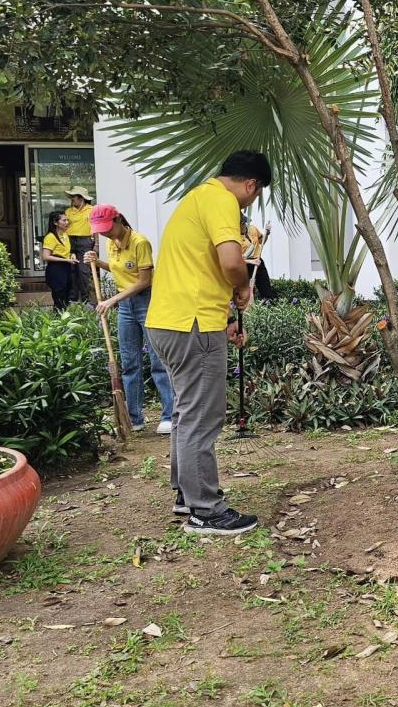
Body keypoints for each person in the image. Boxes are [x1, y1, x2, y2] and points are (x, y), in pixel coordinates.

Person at [146, 151, 271, 536]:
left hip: (170, 322)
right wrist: (241, 287)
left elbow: (198, 271)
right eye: (257, 193)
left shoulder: (196, 197)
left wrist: (226, 321)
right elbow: (232, 262)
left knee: (186, 412)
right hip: (192, 324)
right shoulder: (222, 200)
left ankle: (186, 494)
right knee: (202, 416)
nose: (251, 201)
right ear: (250, 184)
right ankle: (206, 510)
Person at [85, 204, 175, 436]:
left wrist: (112, 299)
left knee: (158, 361)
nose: (103, 232)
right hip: (126, 306)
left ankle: (169, 415)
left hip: (147, 301)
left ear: (117, 220)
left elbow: (144, 280)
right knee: (129, 362)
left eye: (106, 227)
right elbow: (119, 271)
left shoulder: (139, 242)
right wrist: (97, 262)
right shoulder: (109, 243)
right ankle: (135, 417)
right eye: (100, 229)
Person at [41, 211, 79, 310]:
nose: (67, 222)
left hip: (66, 268)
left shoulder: (65, 235)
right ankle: (57, 320)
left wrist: (72, 255)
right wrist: (65, 260)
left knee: (66, 299)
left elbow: (68, 251)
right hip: (56, 270)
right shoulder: (50, 237)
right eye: (64, 220)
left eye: (67, 220)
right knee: (59, 299)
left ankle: (64, 321)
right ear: (55, 222)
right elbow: (46, 256)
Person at [65, 187, 96, 303]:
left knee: (84, 271)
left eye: (74, 197)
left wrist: (96, 244)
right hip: (70, 241)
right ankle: (72, 299)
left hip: (85, 241)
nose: (72, 199)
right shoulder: (68, 211)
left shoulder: (91, 210)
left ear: (81, 198)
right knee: (72, 270)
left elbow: (95, 228)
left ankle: (86, 300)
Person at [240, 215, 276, 301]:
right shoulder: (234, 238)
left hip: (258, 262)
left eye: (244, 222)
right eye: (242, 223)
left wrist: (267, 233)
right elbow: (236, 259)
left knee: (266, 290)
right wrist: (251, 262)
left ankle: (268, 303)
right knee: (242, 293)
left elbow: (262, 241)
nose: (244, 225)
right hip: (244, 266)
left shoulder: (252, 229)